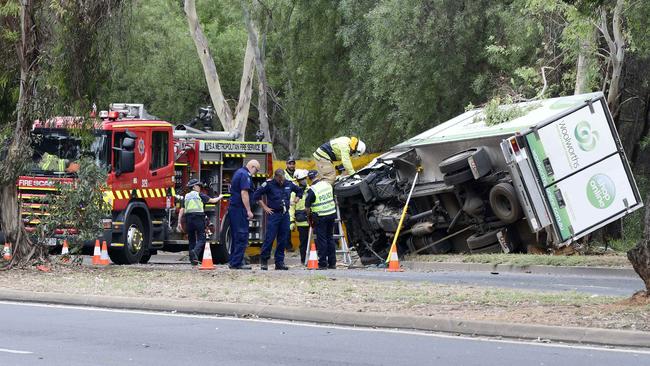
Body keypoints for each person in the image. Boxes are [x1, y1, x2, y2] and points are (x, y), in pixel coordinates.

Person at [253, 168, 303, 270]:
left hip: (285, 215)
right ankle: (264, 261)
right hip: (274, 214)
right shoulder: (269, 184)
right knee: (270, 238)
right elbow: (256, 195)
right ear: (275, 177)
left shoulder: (288, 183)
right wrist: (265, 207)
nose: (281, 181)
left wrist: (296, 200)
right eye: (279, 179)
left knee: (283, 239)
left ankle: (279, 262)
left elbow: (299, 191)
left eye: (282, 179)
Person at [176, 179, 224, 265]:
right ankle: (195, 252)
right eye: (198, 186)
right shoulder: (199, 195)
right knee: (202, 238)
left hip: (188, 219)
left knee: (191, 240)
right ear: (194, 187)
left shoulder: (186, 196)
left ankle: (193, 260)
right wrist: (220, 196)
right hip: (198, 218)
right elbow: (213, 201)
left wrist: (179, 222)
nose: (200, 188)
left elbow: (181, 210)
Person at [228, 159, 260, 269]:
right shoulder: (245, 174)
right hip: (239, 209)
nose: (256, 173)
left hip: (235, 209)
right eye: (257, 170)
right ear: (252, 167)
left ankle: (234, 261)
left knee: (236, 236)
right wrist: (248, 210)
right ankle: (236, 263)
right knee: (242, 235)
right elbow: (244, 193)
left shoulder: (239, 172)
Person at [304, 171, 337, 269]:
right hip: (331, 214)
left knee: (322, 240)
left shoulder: (312, 190)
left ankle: (322, 263)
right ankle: (332, 263)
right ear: (318, 176)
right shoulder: (327, 184)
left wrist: (309, 217)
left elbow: (307, 207)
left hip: (321, 217)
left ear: (309, 179)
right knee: (330, 238)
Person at [289, 169, 310, 263]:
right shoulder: (294, 193)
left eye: (304, 178)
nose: (304, 181)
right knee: (304, 241)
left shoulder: (311, 190)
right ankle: (303, 260)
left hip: (313, 219)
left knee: (318, 240)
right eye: (301, 179)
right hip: (301, 221)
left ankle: (317, 258)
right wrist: (291, 221)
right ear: (297, 180)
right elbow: (291, 208)